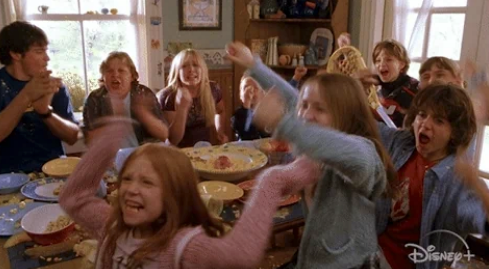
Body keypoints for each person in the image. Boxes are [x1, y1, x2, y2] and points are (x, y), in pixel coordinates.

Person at [59, 115, 321, 268]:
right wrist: (108, 141)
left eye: (147, 183)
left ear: (174, 196)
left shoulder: (182, 246)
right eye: (127, 179)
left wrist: (273, 181)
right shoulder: (112, 226)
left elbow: (241, 254)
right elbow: (74, 197)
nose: (131, 189)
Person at [225, 41, 397, 268]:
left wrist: (281, 122)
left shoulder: (364, 152)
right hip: (312, 258)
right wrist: (253, 65)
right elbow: (292, 99)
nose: (305, 114)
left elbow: (328, 144)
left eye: (319, 108)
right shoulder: (318, 137)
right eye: (304, 106)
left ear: (345, 114)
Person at [375, 82, 489, 269]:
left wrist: (477, 186)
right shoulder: (402, 143)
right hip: (373, 252)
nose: (425, 124)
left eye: (439, 120)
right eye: (422, 114)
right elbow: (358, 123)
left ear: (454, 133)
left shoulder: (457, 180)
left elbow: (482, 219)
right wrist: (354, 85)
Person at [0, 21, 79, 174]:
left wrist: (45, 112)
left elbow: (72, 137)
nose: (47, 58)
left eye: (46, 51)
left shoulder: (53, 86)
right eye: (39, 51)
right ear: (16, 54)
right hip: (6, 180)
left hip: (53, 174)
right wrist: (26, 95)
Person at [83, 51, 168, 147]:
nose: (115, 74)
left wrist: (143, 113)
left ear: (131, 76)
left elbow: (163, 135)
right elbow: (89, 141)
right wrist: (116, 121)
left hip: (144, 154)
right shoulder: (95, 99)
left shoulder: (143, 93)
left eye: (121, 70)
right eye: (109, 71)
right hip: (110, 157)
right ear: (103, 77)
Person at [157, 49, 228, 147]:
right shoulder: (168, 96)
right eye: (184, 66)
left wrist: (220, 131)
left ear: (202, 69)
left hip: (206, 148)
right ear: (177, 72)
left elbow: (220, 111)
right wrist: (182, 109)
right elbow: (173, 140)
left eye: (195, 65)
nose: (191, 70)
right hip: (178, 151)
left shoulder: (213, 89)